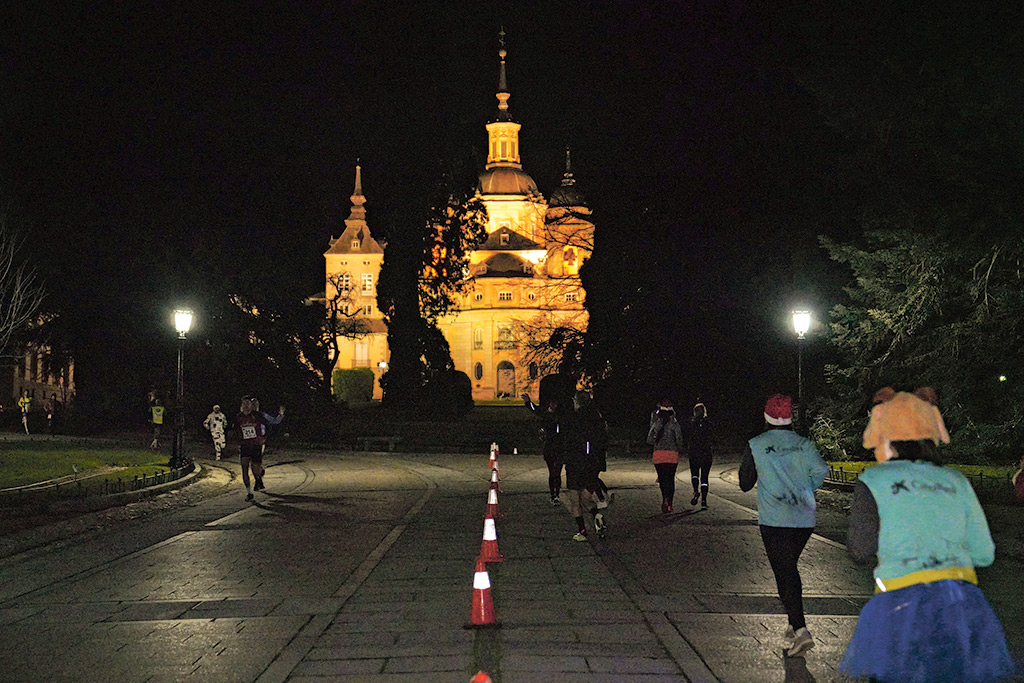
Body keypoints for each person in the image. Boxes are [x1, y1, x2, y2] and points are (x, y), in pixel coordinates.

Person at [840, 387, 1013, 682]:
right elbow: (984, 552)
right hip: (960, 606)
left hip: (898, 605)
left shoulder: (874, 481)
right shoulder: (955, 480)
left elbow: (859, 549)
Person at [739, 393, 828, 657]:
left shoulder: (756, 444)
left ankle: (801, 631)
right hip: (803, 519)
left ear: (766, 418)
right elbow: (821, 471)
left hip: (775, 520)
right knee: (788, 568)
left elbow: (745, 483)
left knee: (784, 572)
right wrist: (804, 488)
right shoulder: (805, 444)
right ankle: (793, 624)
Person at [563, 390, 608, 540]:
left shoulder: (573, 419)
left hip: (575, 462)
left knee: (575, 499)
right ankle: (597, 515)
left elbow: (567, 441)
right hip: (591, 464)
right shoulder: (597, 418)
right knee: (586, 496)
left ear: (577, 401)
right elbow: (603, 441)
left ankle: (582, 531)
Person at [523, 392, 569, 504]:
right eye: (551, 404)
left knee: (557, 473)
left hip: (559, 448)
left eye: (555, 404)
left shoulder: (561, 417)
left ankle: (556, 494)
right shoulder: (546, 415)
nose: (552, 406)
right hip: (549, 447)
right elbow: (535, 410)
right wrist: (528, 402)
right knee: (552, 472)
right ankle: (553, 494)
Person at [647, 401, 684, 513]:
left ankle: (664, 499)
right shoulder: (675, 425)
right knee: (670, 479)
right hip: (672, 455)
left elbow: (649, 440)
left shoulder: (656, 424)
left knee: (663, 480)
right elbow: (679, 441)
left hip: (659, 455)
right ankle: (670, 503)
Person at [688, 401, 713, 509]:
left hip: (694, 452)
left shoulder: (692, 423)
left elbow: (688, 438)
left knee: (694, 474)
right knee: (704, 478)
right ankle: (704, 500)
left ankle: (695, 491)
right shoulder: (709, 423)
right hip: (706, 453)